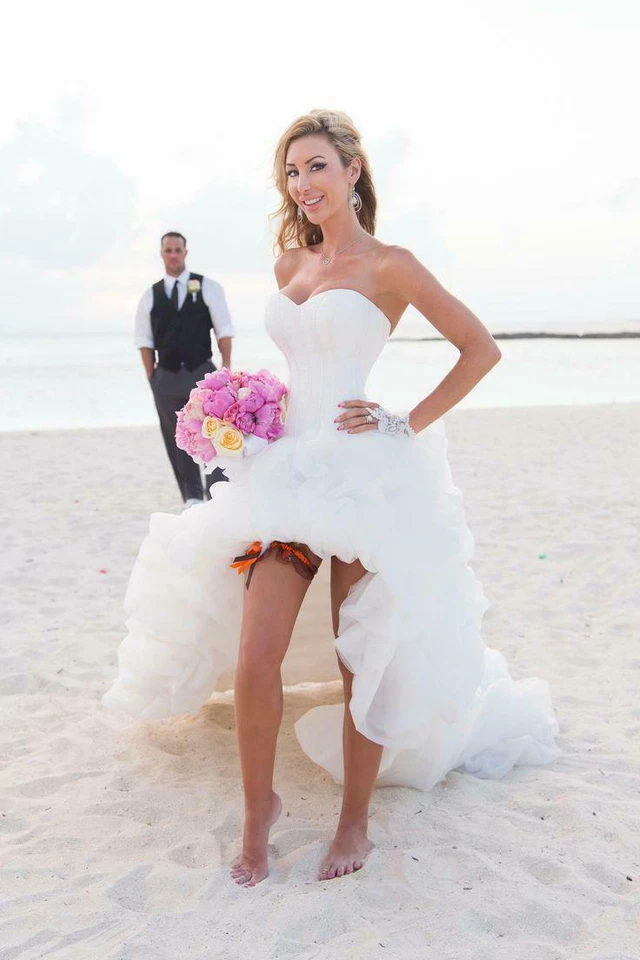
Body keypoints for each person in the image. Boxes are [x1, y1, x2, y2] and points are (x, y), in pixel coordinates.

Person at [104, 110, 560, 886]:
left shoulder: (393, 266)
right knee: (257, 655)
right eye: (291, 172)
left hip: (364, 478)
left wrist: (402, 420)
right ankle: (258, 817)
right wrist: (246, 410)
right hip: (285, 472)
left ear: (353, 170)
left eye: (316, 166)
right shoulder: (290, 266)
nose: (303, 184)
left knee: (363, 656)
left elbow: (480, 348)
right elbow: (302, 367)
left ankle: (355, 822)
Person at [134, 231, 235, 508]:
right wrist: (152, 377)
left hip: (201, 374)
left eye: (178, 250)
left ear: (185, 252)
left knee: (212, 433)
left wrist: (224, 371)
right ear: (162, 253)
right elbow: (143, 340)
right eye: (168, 250)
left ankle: (217, 496)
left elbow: (224, 331)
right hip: (165, 377)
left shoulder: (207, 287)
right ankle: (191, 498)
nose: (173, 255)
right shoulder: (150, 296)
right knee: (176, 437)